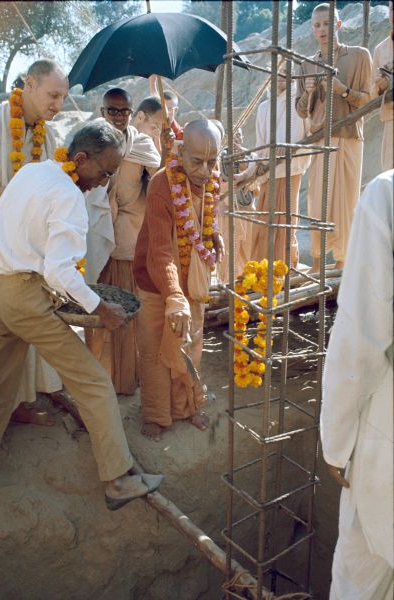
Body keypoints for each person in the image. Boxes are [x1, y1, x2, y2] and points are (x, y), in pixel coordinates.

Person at [0, 120, 163, 510]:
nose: (104, 183)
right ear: (80, 159)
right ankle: (118, 481)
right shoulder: (69, 197)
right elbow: (59, 271)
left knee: (0, 384)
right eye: (103, 173)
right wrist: (102, 308)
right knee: (93, 383)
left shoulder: (34, 171)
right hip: (24, 298)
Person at [321, 169, 393, 599]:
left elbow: (362, 336)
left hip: (387, 430)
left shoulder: (386, 194)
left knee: (361, 575)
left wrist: (337, 441)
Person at [133, 119, 225, 441]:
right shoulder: (161, 184)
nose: (204, 170)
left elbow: (201, 221)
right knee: (155, 347)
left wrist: (213, 235)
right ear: (181, 151)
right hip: (156, 281)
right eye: (197, 161)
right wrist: (174, 296)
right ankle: (156, 415)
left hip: (191, 279)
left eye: (212, 162)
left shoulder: (211, 181)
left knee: (190, 346)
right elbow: (160, 250)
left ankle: (187, 408)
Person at [0, 58, 69, 426]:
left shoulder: (50, 138)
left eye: (64, 97)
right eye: (54, 95)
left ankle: (19, 401)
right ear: (29, 85)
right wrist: (10, 197)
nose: (59, 105)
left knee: (20, 330)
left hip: (25, 255)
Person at [87, 91, 161, 395]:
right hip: (96, 237)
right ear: (102, 111)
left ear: (132, 114)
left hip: (129, 238)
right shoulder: (91, 140)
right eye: (112, 111)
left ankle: (126, 381)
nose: (118, 117)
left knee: (128, 310)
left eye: (124, 112)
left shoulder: (141, 144)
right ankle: (98, 379)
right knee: (97, 307)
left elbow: (160, 182)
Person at [295, 3, 372, 272]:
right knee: (317, 201)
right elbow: (301, 109)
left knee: (346, 201)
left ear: (338, 25)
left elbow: (368, 101)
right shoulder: (306, 64)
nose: (322, 29)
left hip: (349, 136)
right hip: (319, 140)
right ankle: (317, 262)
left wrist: (342, 90)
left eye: (327, 24)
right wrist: (309, 91)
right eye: (317, 25)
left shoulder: (360, 56)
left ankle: (342, 261)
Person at [235, 62, 310, 269]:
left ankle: (282, 270)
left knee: (283, 226)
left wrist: (271, 160)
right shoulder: (264, 107)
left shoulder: (297, 104)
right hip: (266, 174)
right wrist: (249, 174)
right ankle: (260, 272)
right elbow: (261, 150)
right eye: (277, 71)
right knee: (262, 228)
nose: (280, 76)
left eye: (286, 73)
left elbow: (298, 140)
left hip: (288, 172)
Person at [217, 127, 259, 283]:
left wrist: (243, 176)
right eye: (233, 136)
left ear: (242, 137)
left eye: (239, 136)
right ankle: (226, 281)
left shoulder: (251, 155)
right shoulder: (220, 157)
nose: (236, 140)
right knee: (228, 248)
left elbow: (256, 181)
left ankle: (245, 280)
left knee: (247, 246)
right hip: (227, 209)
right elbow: (220, 181)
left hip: (246, 208)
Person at [371, 0, 393, 172]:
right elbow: (372, 93)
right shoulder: (380, 49)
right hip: (391, 121)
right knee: (389, 175)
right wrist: (380, 85)